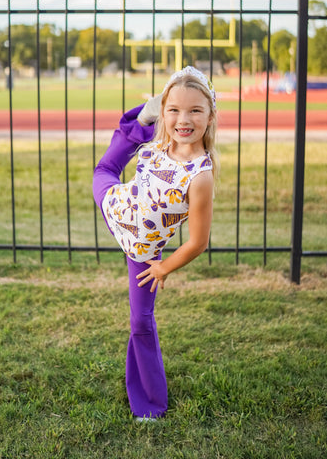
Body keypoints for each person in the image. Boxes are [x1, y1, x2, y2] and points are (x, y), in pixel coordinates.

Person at [93, 65, 218, 421]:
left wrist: (163, 266)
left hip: (142, 250)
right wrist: (149, 123)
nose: (184, 119)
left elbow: (197, 242)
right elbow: (119, 163)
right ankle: (145, 112)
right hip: (114, 206)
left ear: (210, 117)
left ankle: (149, 404)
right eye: (174, 109)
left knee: (140, 322)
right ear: (166, 115)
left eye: (195, 110)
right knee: (105, 169)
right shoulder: (160, 142)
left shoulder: (201, 176)